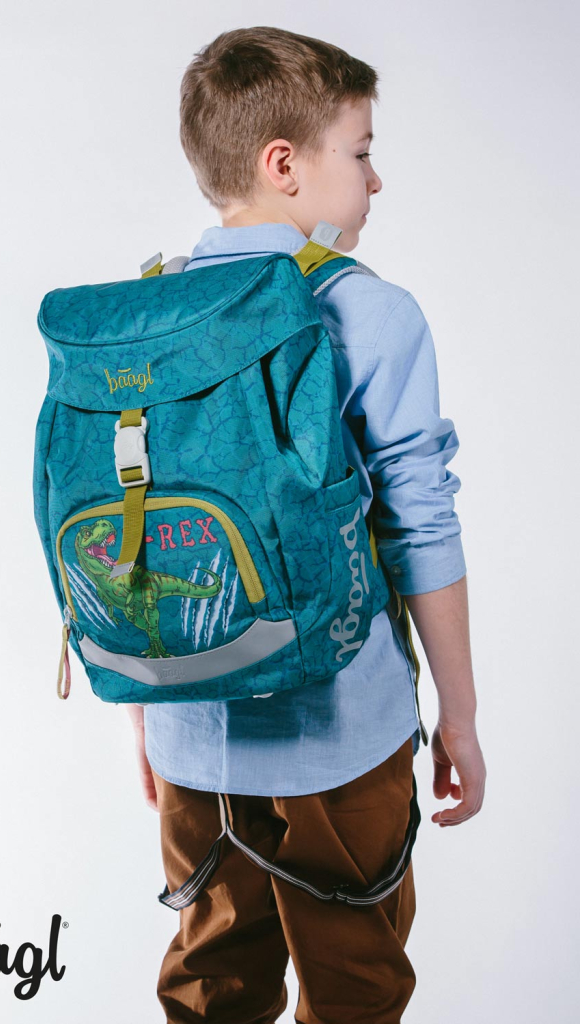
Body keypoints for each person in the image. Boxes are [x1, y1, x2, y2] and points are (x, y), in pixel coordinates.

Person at [124, 25, 486, 1024]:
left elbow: (132, 527)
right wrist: (456, 719)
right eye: (360, 152)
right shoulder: (370, 315)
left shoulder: (146, 313)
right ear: (283, 165)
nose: (375, 179)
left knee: (209, 986)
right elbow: (420, 527)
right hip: (342, 732)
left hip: (190, 732)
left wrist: (144, 709)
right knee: (354, 986)